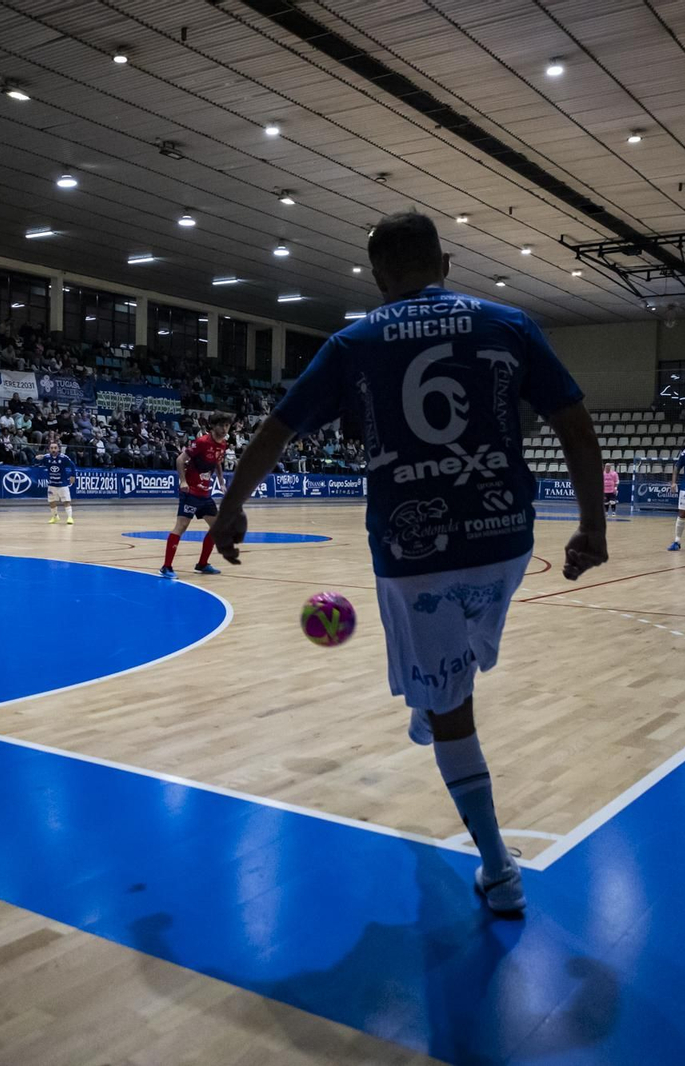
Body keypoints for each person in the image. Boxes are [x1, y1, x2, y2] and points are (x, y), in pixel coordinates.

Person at [209, 211, 606, 916]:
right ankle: (439, 694)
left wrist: (233, 506)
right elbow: (576, 422)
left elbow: (277, 428)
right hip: (505, 539)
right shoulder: (509, 322)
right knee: (458, 674)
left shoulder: (354, 341)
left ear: (376, 276)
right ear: (446, 262)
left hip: (411, 548)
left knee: (450, 709)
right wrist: (590, 525)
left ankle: (498, 869)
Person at [160, 412, 232, 577]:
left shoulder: (223, 444)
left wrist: (221, 483)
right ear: (213, 426)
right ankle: (166, 567)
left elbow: (218, 462)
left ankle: (202, 564)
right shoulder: (201, 442)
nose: (224, 429)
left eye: (227, 425)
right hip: (190, 492)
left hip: (205, 494)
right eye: (221, 425)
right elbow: (179, 460)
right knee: (181, 527)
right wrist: (183, 481)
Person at [39, 438, 77, 524]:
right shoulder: (46, 457)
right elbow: (35, 463)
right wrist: (37, 458)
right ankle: (55, 517)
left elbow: (73, 466)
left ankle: (70, 518)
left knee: (66, 501)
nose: (53, 450)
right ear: (49, 449)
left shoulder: (64, 458)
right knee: (51, 502)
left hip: (62, 484)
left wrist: (73, 475)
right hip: (52, 484)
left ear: (58, 449)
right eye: (51, 448)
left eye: (55, 448)